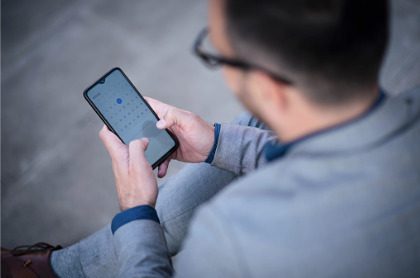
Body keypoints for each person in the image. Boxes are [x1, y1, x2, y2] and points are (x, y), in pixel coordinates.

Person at [2, 0, 420, 277]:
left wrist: (135, 213)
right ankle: (61, 269)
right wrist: (218, 144)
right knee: (252, 130)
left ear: (269, 86)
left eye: (215, 53)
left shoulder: (232, 237)